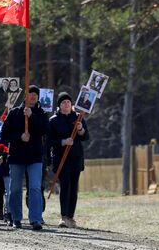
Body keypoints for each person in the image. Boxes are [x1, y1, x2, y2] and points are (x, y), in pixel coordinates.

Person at [1, 85, 48, 230]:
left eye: (35, 94)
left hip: (35, 156)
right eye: (30, 93)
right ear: (25, 96)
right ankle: (16, 218)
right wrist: (19, 136)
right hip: (17, 156)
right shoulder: (15, 113)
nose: (33, 96)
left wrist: (32, 116)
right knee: (15, 188)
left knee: (34, 187)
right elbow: (4, 133)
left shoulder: (41, 113)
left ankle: (35, 219)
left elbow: (45, 130)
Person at [48, 92, 89, 228]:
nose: (66, 104)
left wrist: (81, 129)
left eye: (68, 102)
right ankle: (63, 216)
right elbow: (49, 141)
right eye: (63, 102)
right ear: (59, 105)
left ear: (71, 104)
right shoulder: (53, 120)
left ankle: (71, 217)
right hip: (61, 158)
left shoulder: (78, 117)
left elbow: (86, 136)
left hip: (76, 157)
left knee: (73, 187)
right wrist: (63, 142)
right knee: (65, 185)